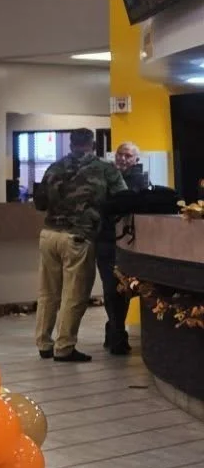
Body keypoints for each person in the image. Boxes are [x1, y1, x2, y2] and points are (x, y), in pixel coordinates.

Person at [32, 129, 125, 362]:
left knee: (48, 293)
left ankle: (44, 343)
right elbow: (123, 200)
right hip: (78, 238)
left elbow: (40, 203)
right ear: (92, 144)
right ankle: (64, 347)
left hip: (48, 235)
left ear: (71, 143)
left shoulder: (54, 167)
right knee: (74, 295)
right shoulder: (105, 169)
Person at [97, 143, 153, 355]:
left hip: (126, 242)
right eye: (120, 154)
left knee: (122, 290)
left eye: (128, 155)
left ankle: (115, 331)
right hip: (105, 240)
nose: (122, 158)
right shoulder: (106, 176)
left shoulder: (139, 181)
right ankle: (116, 332)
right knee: (111, 289)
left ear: (136, 160)